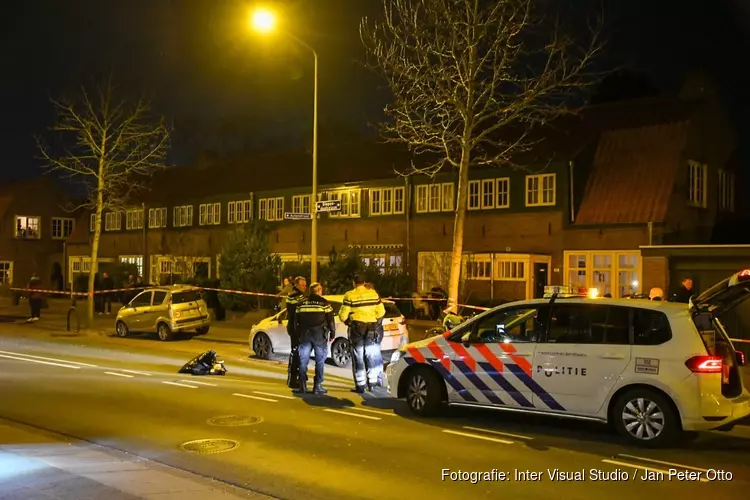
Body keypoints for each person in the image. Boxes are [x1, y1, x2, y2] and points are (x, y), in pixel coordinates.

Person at [338, 274, 386, 394]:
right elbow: (381, 311)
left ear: (354, 283)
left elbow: (342, 316)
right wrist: (375, 322)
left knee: (358, 356)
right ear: (364, 282)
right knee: (370, 355)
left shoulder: (349, 295)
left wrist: (349, 322)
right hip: (371, 328)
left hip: (357, 328)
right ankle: (372, 384)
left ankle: (360, 386)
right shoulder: (373, 293)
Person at [294, 282, 335, 394]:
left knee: (303, 361)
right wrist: (332, 333)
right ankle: (317, 386)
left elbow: (295, 321)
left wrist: (297, 334)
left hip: (305, 336)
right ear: (319, 290)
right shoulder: (324, 304)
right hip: (319, 336)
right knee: (320, 361)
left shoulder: (301, 303)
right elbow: (331, 320)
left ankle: (302, 385)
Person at [285, 276, 308, 389]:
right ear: (297, 285)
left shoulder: (295, 296)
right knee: (297, 353)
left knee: (295, 353)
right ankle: (294, 379)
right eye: (303, 285)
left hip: (294, 327)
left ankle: (293, 379)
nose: (305, 287)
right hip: (296, 328)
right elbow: (297, 311)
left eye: (305, 285)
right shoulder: (295, 296)